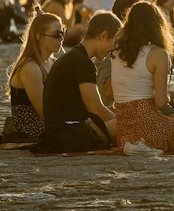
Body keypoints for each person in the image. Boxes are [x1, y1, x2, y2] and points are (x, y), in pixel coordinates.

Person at [110, 1, 174, 152]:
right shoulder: (157, 54)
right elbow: (160, 102)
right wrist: (170, 93)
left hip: (124, 128)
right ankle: (150, 143)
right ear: (156, 25)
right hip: (150, 124)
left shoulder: (117, 52)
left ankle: (137, 144)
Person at [43, 10, 120, 142]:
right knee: (137, 128)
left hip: (59, 129)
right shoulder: (83, 63)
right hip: (70, 131)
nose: (114, 49)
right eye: (115, 42)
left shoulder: (74, 56)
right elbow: (96, 109)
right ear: (103, 36)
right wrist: (124, 121)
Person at [6, 11, 65, 141]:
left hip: (48, 122)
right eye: (57, 34)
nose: (61, 38)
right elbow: (43, 111)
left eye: (63, 32)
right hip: (31, 128)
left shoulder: (52, 63)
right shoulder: (30, 67)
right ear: (40, 37)